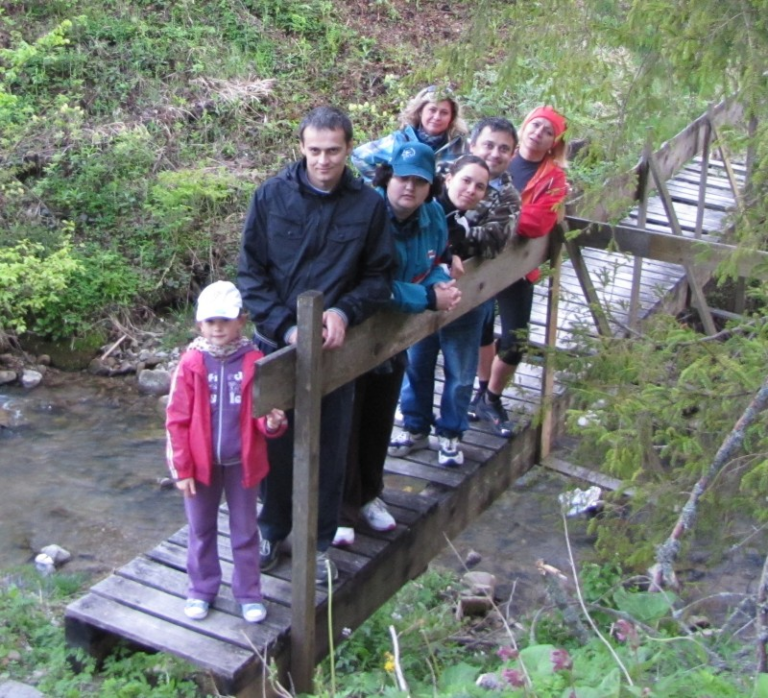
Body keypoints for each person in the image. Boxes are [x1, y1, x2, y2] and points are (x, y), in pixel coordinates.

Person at [237, 106, 395, 583]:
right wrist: (287, 327)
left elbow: (378, 275)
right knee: (275, 441)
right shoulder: (270, 197)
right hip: (276, 346)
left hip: (334, 352)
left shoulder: (368, 206)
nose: (323, 161)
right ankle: (272, 527)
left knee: (330, 445)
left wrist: (345, 311)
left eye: (333, 151)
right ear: (301, 147)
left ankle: (320, 542)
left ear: (349, 149)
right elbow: (252, 273)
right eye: (315, 151)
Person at [334, 141, 461, 547]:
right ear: (388, 177)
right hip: (353, 333)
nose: (410, 188)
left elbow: (436, 263)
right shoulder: (365, 214)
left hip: (394, 337)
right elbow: (368, 285)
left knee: (379, 417)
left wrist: (443, 285)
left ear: (430, 187)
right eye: (403, 178)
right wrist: (426, 299)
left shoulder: (433, 216)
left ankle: (371, 495)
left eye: (420, 182)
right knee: (346, 424)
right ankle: (341, 511)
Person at [390, 143, 521, 467]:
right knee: (418, 366)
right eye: (466, 180)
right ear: (449, 177)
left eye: (480, 186)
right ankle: (415, 426)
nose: (471, 190)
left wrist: (456, 248)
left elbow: (494, 243)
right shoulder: (426, 206)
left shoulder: (477, 217)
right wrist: (449, 253)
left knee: (460, 373)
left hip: (469, 303)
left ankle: (450, 433)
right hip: (425, 301)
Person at [165, 280, 287, 624]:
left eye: (225, 320)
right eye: (210, 321)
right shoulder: (191, 363)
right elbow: (177, 419)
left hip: (242, 463)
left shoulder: (255, 360)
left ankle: (248, 593)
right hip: (200, 465)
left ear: (241, 321)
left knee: (245, 531)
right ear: (199, 325)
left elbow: (265, 417)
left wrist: (274, 423)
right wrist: (182, 469)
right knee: (200, 529)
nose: (217, 328)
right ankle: (201, 589)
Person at [468, 107, 569, 436]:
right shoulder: (496, 158)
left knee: (515, 338)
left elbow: (538, 223)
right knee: (481, 331)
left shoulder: (553, 178)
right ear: (524, 127)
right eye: (535, 125)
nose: (539, 132)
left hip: (518, 266)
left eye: (548, 131)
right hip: (479, 261)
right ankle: (482, 390)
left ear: (555, 142)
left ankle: (493, 396)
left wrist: (497, 216)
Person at [351, 85, 467, 183]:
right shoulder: (400, 141)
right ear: (421, 111)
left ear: (451, 118)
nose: (437, 117)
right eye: (432, 110)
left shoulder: (460, 148)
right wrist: (384, 183)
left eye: (444, 112)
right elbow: (359, 156)